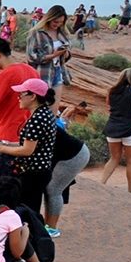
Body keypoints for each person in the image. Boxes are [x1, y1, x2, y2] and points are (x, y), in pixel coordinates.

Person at [0, 76, 58, 218]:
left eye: (21, 94)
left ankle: (28, 237)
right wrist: (6, 144)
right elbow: (30, 144)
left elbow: (27, 150)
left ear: (33, 96)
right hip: (39, 171)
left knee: (26, 210)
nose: (18, 97)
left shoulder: (37, 118)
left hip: (32, 173)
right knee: (30, 208)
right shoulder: (44, 114)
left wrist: (1, 148)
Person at [0, 37, 36, 178]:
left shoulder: (5, 75)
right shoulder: (30, 70)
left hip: (7, 136)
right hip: (27, 135)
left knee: (5, 184)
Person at [43, 99, 91, 235]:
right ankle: (47, 225)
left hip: (75, 156)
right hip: (69, 152)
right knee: (49, 189)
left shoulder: (39, 119)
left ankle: (51, 228)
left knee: (53, 189)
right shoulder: (69, 108)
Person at [99, 68, 131, 194]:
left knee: (114, 158)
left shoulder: (111, 91)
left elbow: (109, 108)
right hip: (130, 129)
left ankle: (101, 184)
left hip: (113, 127)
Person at [27, 6, 73, 89]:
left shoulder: (62, 34)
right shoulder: (38, 33)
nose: (58, 24)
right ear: (49, 18)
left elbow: (66, 57)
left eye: (61, 22)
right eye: (55, 21)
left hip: (58, 71)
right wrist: (52, 55)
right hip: (42, 73)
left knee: (56, 101)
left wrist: (65, 53)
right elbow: (31, 56)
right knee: (42, 101)